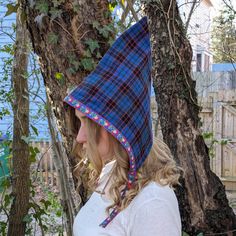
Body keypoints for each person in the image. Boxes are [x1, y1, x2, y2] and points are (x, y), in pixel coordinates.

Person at [64, 16, 182, 236]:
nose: (80, 137)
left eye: (88, 125)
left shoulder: (153, 201)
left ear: (116, 127)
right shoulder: (111, 174)